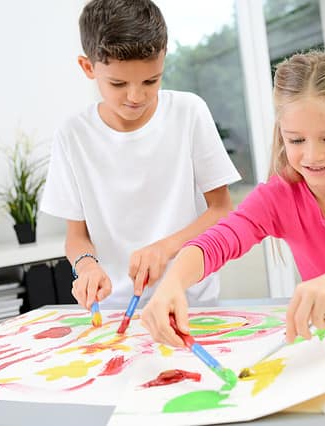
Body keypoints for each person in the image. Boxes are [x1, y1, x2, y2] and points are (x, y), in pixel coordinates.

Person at [141, 49, 325, 347]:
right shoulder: (279, 196)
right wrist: (173, 283)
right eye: (295, 140)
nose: (312, 155)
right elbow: (218, 240)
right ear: (281, 133)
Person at [40, 0, 240, 311]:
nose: (136, 97)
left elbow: (222, 209)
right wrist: (87, 266)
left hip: (191, 302)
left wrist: (166, 248)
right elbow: (76, 237)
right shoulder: (73, 134)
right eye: (118, 84)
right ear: (88, 67)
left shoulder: (189, 113)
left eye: (151, 81)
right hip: (116, 308)